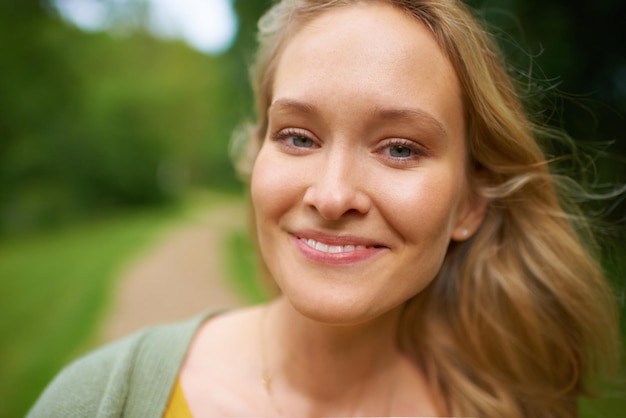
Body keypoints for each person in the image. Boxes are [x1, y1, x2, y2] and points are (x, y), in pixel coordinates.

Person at [28, 0, 620, 417]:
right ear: (255, 156)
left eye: (399, 148)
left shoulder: (508, 409)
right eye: (298, 137)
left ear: (469, 203)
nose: (333, 196)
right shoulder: (103, 400)